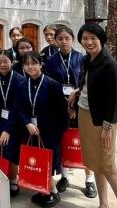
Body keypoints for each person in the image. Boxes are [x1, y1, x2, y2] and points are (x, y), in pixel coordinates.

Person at [69, 23, 117, 208]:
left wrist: (107, 127)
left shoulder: (111, 66)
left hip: (104, 119)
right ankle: (103, 204)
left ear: (101, 40)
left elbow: (112, 100)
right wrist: (77, 91)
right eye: (85, 38)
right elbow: (87, 83)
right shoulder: (86, 59)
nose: (88, 42)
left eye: (93, 38)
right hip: (85, 114)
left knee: (107, 165)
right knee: (94, 162)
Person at [45, 25, 97, 198]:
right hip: (59, 109)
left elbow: (85, 85)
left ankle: (89, 180)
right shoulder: (51, 61)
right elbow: (51, 86)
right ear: (55, 40)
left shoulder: (82, 59)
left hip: (81, 107)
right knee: (63, 141)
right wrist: (65, 108)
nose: (64, 42)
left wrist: (73, 107)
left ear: (73, 39)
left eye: (67, 38)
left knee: (85, 143)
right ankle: (65, 177)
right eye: (60, 38)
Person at [17, 51, 68, 207]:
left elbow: (61, 110)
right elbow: (19, 107)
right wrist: (27, 123)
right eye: (27, 64)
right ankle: (42, 189)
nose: (30, 67)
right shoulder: (22, 84)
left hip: (49, 130)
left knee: (48, 160)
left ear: (40, 64)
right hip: (31, 130)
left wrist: (59, 131)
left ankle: (53, 192)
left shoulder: (52, 84)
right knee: (36, 159)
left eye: (34, 63)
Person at [0, 50, 25, 197]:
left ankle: (13, 180)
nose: (2, 65)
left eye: (5, 61)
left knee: (12, 150)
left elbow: (18, 107)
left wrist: (8, 130)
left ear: (12, 62)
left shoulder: (19, 80)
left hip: (14, 123)